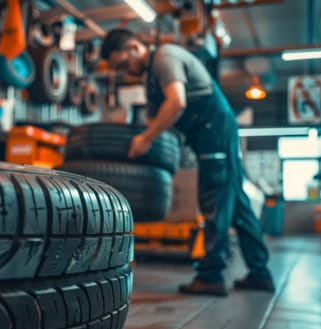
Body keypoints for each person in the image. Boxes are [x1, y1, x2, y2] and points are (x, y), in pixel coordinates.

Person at [100, 29, 275, 296]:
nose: (124, 70)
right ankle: (260, 273)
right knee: (238, 205)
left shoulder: (164, 58)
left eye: (123, 63)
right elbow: (161, 115)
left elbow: (177, 103)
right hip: (212, 134)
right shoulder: (151, 77)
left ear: (134, 47)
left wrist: (146, 139)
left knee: (214, 200)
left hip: (213, 132)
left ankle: (212, 276)